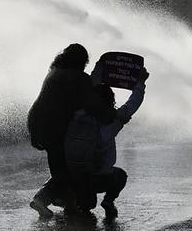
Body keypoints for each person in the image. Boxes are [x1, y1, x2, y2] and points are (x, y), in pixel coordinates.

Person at [27, 44, 120, 218]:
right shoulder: (78, 77)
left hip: (38, 124)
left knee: (59, 168)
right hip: (57, 129)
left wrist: (98, 71)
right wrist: (113, 114)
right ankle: (47, 200)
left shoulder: (54, 72)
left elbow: (83, 88)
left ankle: (60, 202)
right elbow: (92, 103)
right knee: (67, 171)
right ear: (82, 62)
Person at [68, 69, 149, 220]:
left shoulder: (78, 115)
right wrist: (140, 83)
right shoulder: (112, 122)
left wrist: (98, 71)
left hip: (76, 175)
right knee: (121, 175)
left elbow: (86, 94)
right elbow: (132, 104)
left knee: (86, 205)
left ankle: (76, 202)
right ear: (111, 101)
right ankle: (108, 201)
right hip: (99, 177)